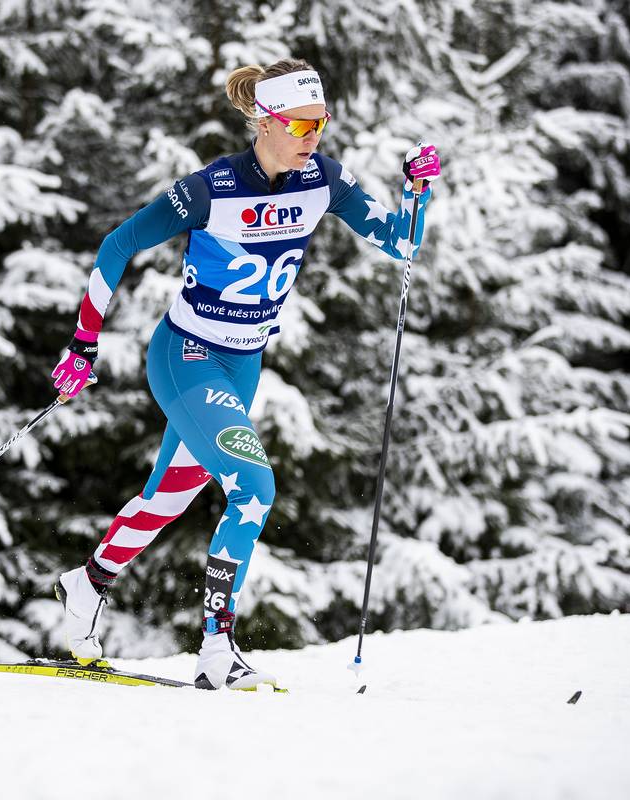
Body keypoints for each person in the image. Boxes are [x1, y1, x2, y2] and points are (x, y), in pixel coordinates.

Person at [50, 58, 441, 690]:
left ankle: (86, 583)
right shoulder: (211, 187)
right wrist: (82, 345)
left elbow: (402, 244)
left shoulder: (325, 182)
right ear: (264, 120)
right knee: (254, 486)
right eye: (300, 122)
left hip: (242, 364)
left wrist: (417, 193)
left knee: (169, 499)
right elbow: (117, 245)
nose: (313, 134)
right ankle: (216, 649)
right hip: (187, 357)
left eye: (321, 121)